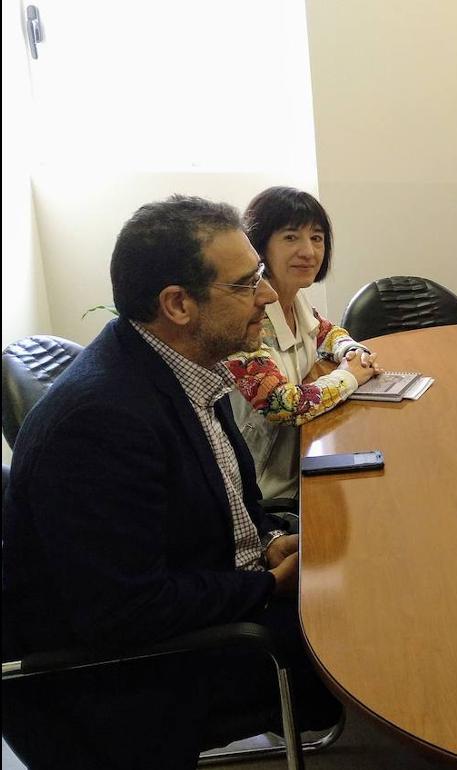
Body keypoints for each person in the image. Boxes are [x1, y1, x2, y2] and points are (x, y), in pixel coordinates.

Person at [1, 196, 341, 768]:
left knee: (363, 583)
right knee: (369, 637)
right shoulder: (102, 422)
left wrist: (266, 543)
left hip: (202, 600)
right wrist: (266, 586)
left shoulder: (188, 365)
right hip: (128, 677)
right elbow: (124, 613)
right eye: (245, 284)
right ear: (178, 305)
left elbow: (214, 501)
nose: (265, 296)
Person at [226, 186, 379, 501]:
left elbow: (324, 330)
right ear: (260, 246)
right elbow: (283, 404)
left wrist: (350, 350)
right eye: (291, 237)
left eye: (317, 238)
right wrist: (349, 376)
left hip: (300, 460)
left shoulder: (294, 298)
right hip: (264, 491)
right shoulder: (246, 319)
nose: (309, 252)